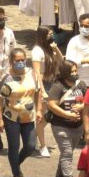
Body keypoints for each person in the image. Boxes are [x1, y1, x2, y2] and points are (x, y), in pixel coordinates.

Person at [0, 46, 41, 177]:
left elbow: (38, 92)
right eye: (17, 60)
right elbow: (0, 98)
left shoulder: (33, 74)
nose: (21, 62)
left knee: (30, 146)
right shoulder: (6, 77)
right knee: (13, 147)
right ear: (11, 61)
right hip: (12, 117)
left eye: (23, 60)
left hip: (29, 116)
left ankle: (16, 163)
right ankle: (16, 174)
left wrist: (39, 110)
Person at [46, 60, 85, 177]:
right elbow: (51, 105)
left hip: (77, 126)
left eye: (76, 71)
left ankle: (60, 176)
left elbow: (88, 100)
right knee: (67, 153)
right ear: (65, 73)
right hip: (61, 126)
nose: (75, 74)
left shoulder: (81, 85)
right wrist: (67, 114)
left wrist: (82, 106)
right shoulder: (57, 87)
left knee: (66, 152)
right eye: (72, 71)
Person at [32, 26, 60, 157]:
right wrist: (42, 90)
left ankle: (35, 134)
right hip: (42, 84)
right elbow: (37, 72)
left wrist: (56, 49)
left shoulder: (50, 49)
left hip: (52, 82)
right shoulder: (37, 51)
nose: (51, 36)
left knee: (49, 116)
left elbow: (61, 61)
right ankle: (42, 145)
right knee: (42, 116)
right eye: (49, 34)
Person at [66, 12, 89, 86]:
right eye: (81, 25)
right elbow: (68, 62)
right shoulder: (74, 41)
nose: (83, 28)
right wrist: (84, 61)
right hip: (82, 81)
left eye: (86, 26)